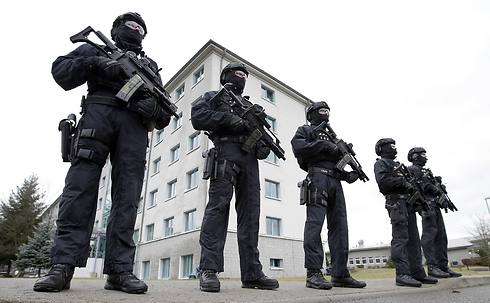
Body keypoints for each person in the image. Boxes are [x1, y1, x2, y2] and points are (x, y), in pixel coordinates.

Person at [33, 12, 171, 294]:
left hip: (134, 126)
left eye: (140, 27)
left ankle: (120, 271)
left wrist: (153, 110)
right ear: (117, 29)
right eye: (130, 25)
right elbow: (61, 71)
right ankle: (62, 266)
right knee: (79, 190)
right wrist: (97, 64)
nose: (136, 29)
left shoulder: (150, 66)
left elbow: (165, 111)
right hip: (98, 113)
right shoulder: (97, 48)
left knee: (128, 196)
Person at [191, 62, 279, 292]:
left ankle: (252, 274)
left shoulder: (250, 105)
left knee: (251, 216)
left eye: (244, 75)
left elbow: (262, 145)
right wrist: (231, 120)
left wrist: (262, 140)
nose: (241, 77)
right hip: (225, 152)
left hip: (248, 159)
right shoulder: (214, 96)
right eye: (237, 73)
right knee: (218, 209)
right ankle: (208, 270)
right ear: (226, 76)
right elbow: (198, 117)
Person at [291, 101, 366, 290]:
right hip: (317, 178)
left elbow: (338, 166)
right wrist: (323, 146)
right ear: (312, 114)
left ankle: (340, 273)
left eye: (327, 111)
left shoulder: (335, 138)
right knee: (315, 225)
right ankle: (314, 273)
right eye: (321, 110)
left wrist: (350, 175)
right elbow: (299, 149)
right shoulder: (305, 131)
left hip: (335, 182)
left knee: (340, 228)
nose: (325, 113)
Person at [374, 139, 438, 287]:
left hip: (408, 204)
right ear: (382, 148)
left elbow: (413, 184)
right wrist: (403, 183)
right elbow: (383, 182)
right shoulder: (381, 163)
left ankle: (417, 273)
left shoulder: (400, 166)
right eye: (390, 145)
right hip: (396, 202)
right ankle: (402, 274)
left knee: (414, 240)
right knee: (400, 239)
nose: (394, 148)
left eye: (394, 145)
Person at [407, 147, 462, 278]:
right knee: (429, 236)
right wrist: (433, 187)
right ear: (415, 157)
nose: (425, 157)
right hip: (426, 205)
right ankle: (432, 267)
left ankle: (443, 266)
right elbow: (419, 187)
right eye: (422, 155)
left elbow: (432, 187)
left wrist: (439, 187)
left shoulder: (426, 171)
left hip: (434, 205)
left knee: (441, 237)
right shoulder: (412, 170)